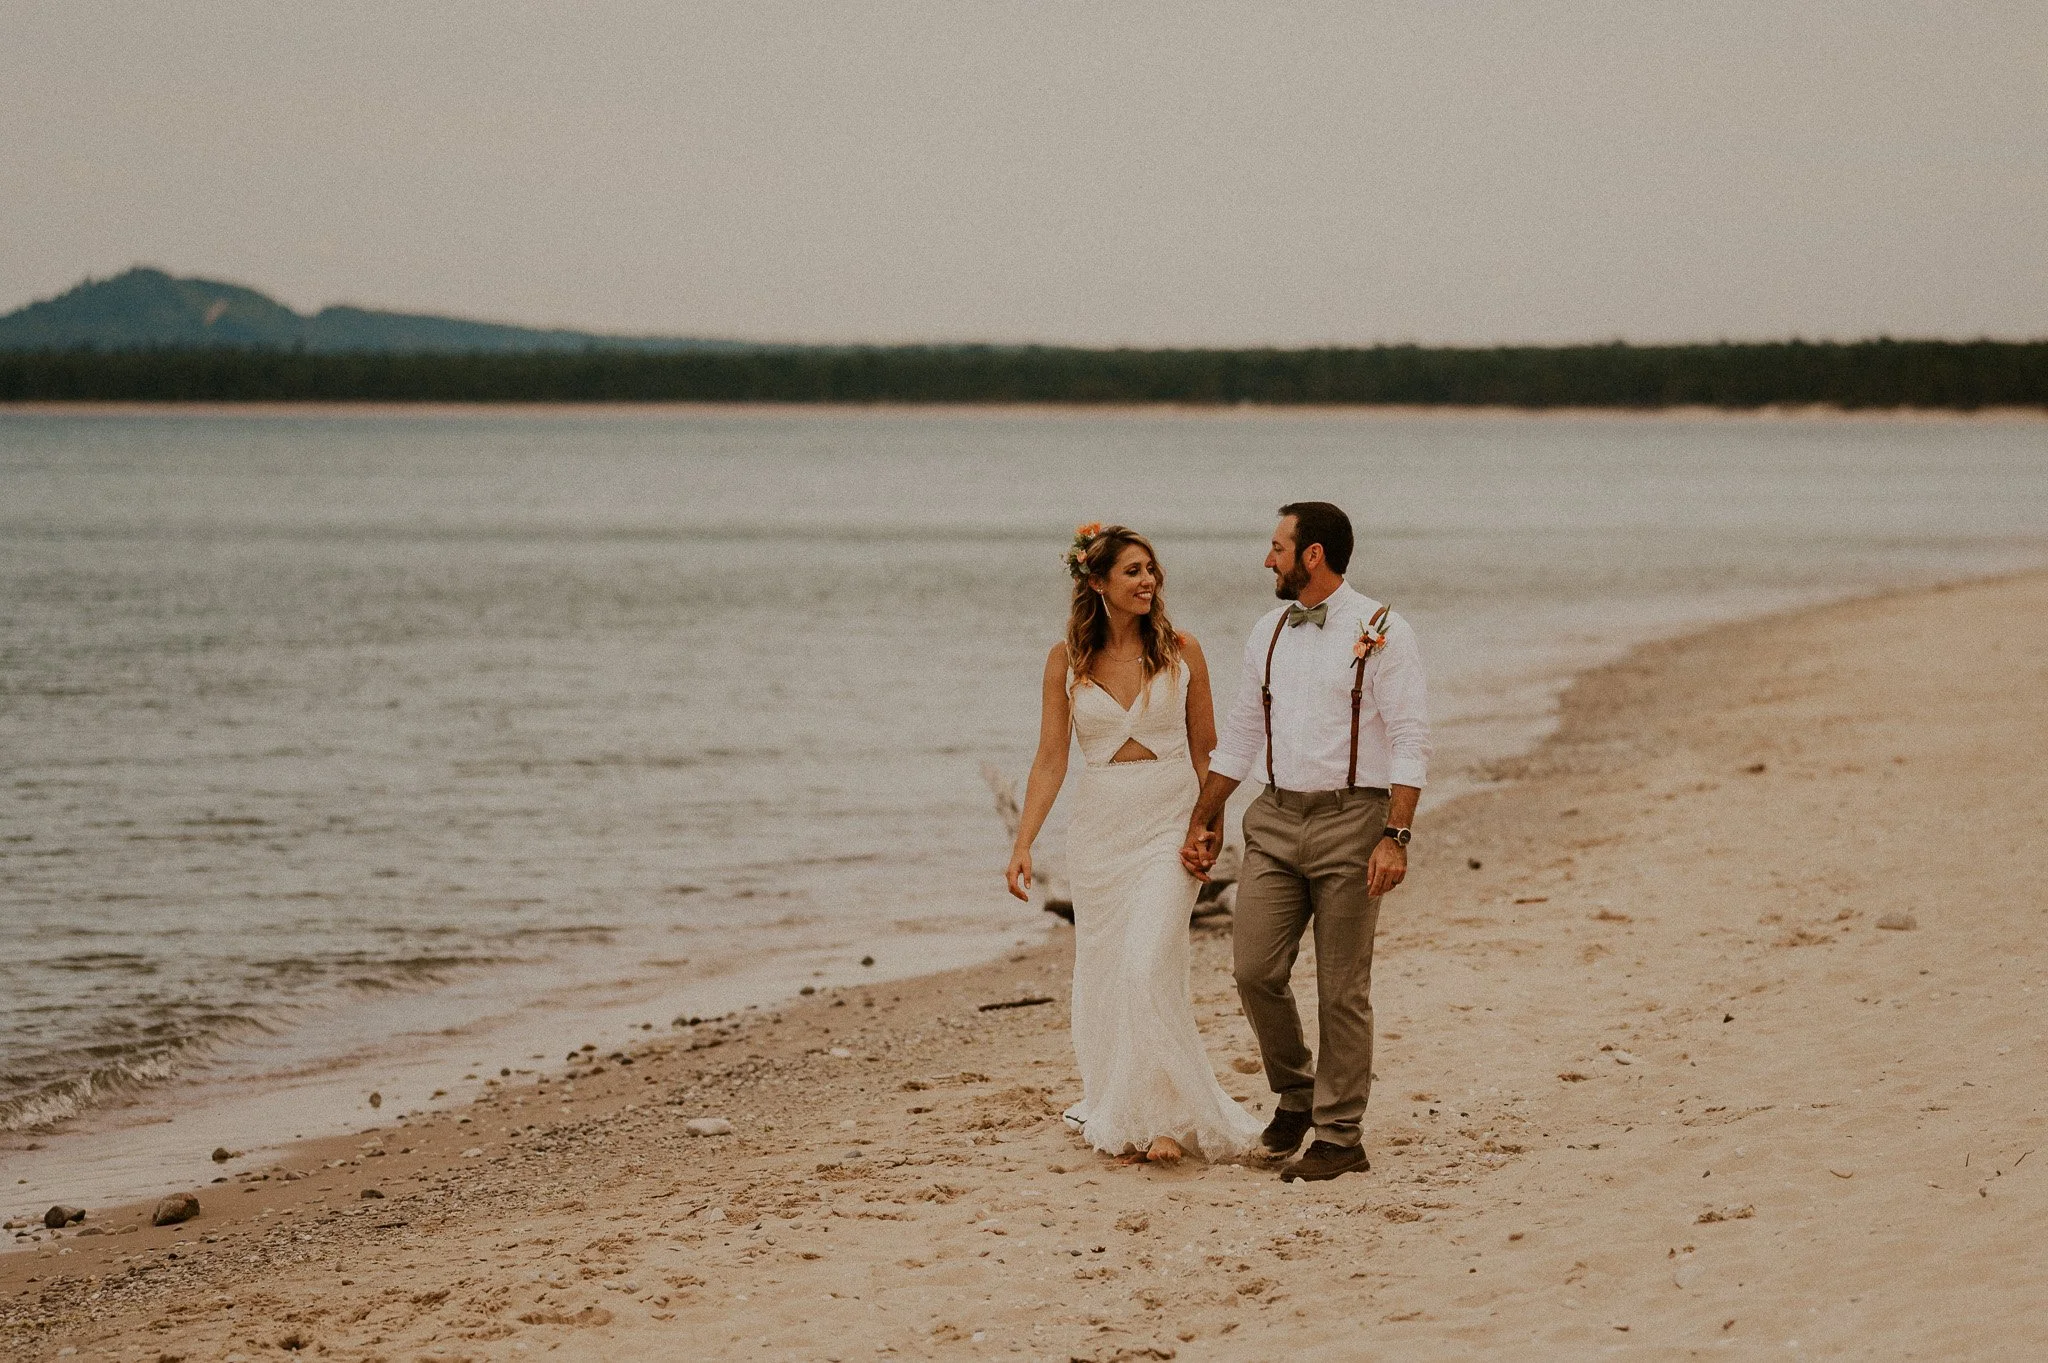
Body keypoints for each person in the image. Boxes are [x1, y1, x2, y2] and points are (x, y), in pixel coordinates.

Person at [1181, 502, 1431, 1182]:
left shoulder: (1383, 630)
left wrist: (1395, 836)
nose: (1268, 559)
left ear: (1311, 554)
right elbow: (1239, 734)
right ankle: (1296, 1093)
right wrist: (1207, 817)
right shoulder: (1266, 631)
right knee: (1253, 969)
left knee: (1342, 986)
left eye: (1277, 546)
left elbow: (1409, 739)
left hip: (1355, 820)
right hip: (1274, 818)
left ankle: (1341, 1133)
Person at [1006, 524, 1264, 1165]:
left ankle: (1173, 1120)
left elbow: (1209, 751)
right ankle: (1135, 1111)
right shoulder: (1064, 661)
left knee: (1150, 962)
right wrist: (1023, 844)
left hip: (1169, 821)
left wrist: (1211, 826)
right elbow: (1049, 761)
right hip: (1100, 830)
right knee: (1107, 971)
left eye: (1151, 570)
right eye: (1133, 572)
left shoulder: (1182, 651)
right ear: (1097, 583)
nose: (1148, 581)